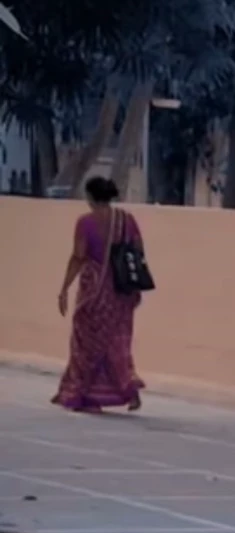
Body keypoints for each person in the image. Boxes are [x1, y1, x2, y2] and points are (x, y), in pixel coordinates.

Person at [52, 175, 146, 413]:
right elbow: (138, 251)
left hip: (94, 293)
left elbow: (78, 256)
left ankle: (88, 396)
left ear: (90, 197)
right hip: (121, 292)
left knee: (86, 343)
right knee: (118, 343)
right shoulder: (127, 220)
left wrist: (64, 288)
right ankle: (128, 389)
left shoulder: (85, 222)